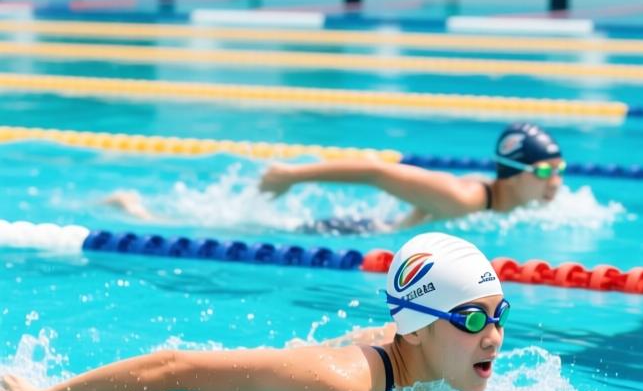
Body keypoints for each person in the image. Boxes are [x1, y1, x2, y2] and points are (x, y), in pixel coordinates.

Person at [0, 233, 508, 391]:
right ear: (416, 330)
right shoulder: (345, 388)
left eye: (498, 314)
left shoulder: (438, 362)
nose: (493, 336)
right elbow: (174, 368)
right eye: (470, 319)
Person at [105, 122, 566, 233]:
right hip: (357, 235)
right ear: (515, 173)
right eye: (546, 171)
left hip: (379, 236)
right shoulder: (464, 198)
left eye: (560, 170)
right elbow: (375, 172)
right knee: (230, 229)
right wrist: (293, 176)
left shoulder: (499, 200)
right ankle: (139, 212)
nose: (556, 182)